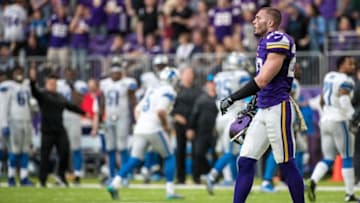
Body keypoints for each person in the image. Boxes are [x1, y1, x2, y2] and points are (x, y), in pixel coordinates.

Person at [219, 7, 304, 203]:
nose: (253, 21)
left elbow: (264, 79)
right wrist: (252, 106)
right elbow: (264, 83)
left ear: (271, 22)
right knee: (245, 161)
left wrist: (233, 98)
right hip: (264, 108)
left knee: (286, 163)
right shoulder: (264, 42)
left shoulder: (279, 39)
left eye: (258, 18)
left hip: (278, 108)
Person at [107, 67, 183, 200]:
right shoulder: (169, 91)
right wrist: (165, 126)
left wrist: (142, 122)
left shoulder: (152, 89)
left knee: (135, 159)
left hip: (140, 127)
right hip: (154, 127)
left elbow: (137, 109)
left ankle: (115, 183)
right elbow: (160, 111)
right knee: (169, 156)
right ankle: (170, 191)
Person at [307, 56, 359, 202]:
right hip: (339, 120)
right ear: (341, 65)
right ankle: (350, 194)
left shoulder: (329, 76)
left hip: (325, 121)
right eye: (350, 64)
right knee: (347, 156)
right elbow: (344, 100)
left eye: (354, 64)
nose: (353, 67)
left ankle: (313, 181)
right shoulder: (346, 81)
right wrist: (353, 116)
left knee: (328, 158)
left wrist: (326, 114)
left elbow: (323, 99)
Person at [203, 52, 252, 194]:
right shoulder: (241, 75)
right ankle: (212, 176)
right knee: (231, 152)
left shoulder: (219, 76)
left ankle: (231, 179)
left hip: (221, 116)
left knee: (229, 151)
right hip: (234, 115)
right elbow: (248, 96)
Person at [29, 67, 85, 187]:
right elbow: (34, 92)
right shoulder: (43, 95)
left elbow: (70, 106)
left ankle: (61, 176)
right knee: (45, 156)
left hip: (59, 129)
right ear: (46, 84)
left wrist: (83, 112)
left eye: (54, 83)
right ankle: (42, 179)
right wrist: (32, 81)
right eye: (51, 83)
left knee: (64, 152)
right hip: (47, 130)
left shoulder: (59, 96)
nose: (53, 85)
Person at [100, 61, 137, 182]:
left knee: (122, 147)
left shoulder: (127, 83)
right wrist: (101, 117)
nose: (116, 74)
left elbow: (133, 100)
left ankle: (124, 176)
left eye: (118, 72)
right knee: (110, 148)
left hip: (123, 117)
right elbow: (102, 101)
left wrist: (135, 117)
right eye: (114, 72)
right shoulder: (105, 83)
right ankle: (111, 175)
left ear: (122, 72)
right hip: (109, 118)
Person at [1, 67, 33, 186]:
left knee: (25, 151)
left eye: (21, 73)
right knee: (14, 151)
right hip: (14, 121)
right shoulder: (8, 86)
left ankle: (24, 178)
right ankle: (11, 177)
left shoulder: (26, 87)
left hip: (26, 121)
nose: (19, 75)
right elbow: (4, 106)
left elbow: (30, 106)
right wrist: (4, 124)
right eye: (17, 73)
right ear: (13, 75)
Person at [56, 68, 87, 185]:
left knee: (76, 147)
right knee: (61, 147)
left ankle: (77, 175)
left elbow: (79, 102)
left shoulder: (79, 85)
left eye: (71, 74)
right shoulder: (59, 84)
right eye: (67, 73)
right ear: (64, 74)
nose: (69, 76)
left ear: (75, 74)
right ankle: (61, 174)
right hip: (61, 117)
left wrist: (72, 88)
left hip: (74, 117)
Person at [172, 66, 201, 184]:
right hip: (179, 124)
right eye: (187, 74)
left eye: (191, 74)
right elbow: (170, 106)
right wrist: (175, 115)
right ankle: (180, 178)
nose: (189, 76)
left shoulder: (197, 91)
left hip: (194, 124)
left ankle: (196, 177)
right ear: (182, 75)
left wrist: (191, 126)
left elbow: (198, 108)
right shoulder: (176, 90)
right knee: (180, 151)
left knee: (196, 152)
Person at [187, 78, 218, 184]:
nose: (212, 85)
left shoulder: (220, 99)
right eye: (210, 83)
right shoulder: (201, 99)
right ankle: (197, 177)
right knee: (198, 154)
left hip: (216, 132)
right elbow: (194, 114)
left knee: (216, 154)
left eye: (214, 83)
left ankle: (215, 177)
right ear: (207, 85)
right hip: (201, 131)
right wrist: (191, 128)